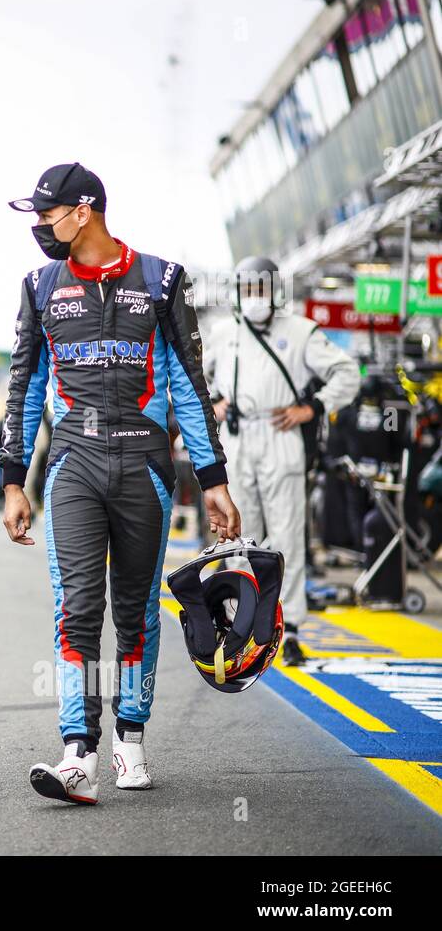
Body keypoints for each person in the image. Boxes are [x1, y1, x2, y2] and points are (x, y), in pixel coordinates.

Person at [0, 162, 241, 805]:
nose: (40, 230)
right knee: (77, 607)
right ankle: (78, 752)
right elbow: (23, 385)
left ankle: (130, 740)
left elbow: (190, 383)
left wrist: (213, 478)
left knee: (132, 612)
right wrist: (13, 479)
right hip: (73, 462)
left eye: (46, 216)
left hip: (145, 467)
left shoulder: (161, 280)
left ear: (83, 212)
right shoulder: (38, 284)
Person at [204, 255, 359, 666]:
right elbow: (193, 379)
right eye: (248, 289)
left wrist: (314, 407)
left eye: (262, 288)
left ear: (275, 290)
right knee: (239, 536)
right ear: (238, 293)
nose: (255, 297)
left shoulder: (301, 331)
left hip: (282, 434)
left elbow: (347, 373)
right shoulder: (223, 334)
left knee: (288, 534)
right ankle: (242, 627)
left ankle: (289, 630)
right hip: (238, 439)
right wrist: (214, 405)